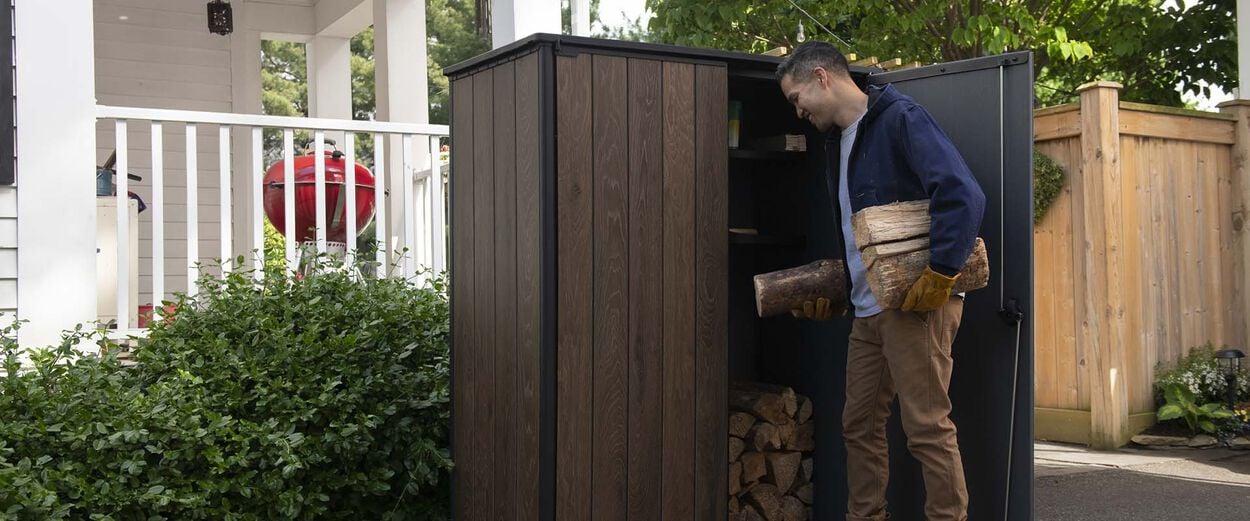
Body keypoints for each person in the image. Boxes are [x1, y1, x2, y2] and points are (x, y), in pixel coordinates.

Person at [776, 41, 985, 521]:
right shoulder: (839, 141)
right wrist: (844, 291)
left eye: (796, 98)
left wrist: (940, 275)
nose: (798, 111)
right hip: (870, 311)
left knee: (928, 427)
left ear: (822, 78)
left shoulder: (900, 119)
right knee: (859, 426)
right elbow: (864, 234)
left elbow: (963, 194)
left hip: (917, 305)